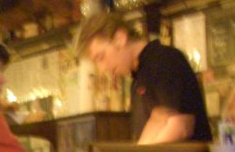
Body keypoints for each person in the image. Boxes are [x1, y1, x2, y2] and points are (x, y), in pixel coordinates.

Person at [75, 12, 212, 143]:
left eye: (101, 57)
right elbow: (156, 127)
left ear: (120, 39)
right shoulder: (138, 79)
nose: (102, 69)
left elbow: (181, 125)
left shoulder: (164, 60)